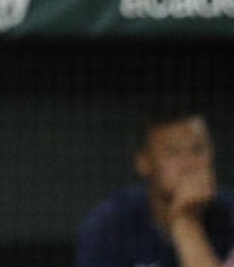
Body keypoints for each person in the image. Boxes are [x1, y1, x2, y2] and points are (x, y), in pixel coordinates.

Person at [76, 108, 234, 267]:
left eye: (198, 150)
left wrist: (186, 221)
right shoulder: (111, 224)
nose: (188, 165)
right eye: (172, 153)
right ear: (144, 163)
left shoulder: (229, 214)